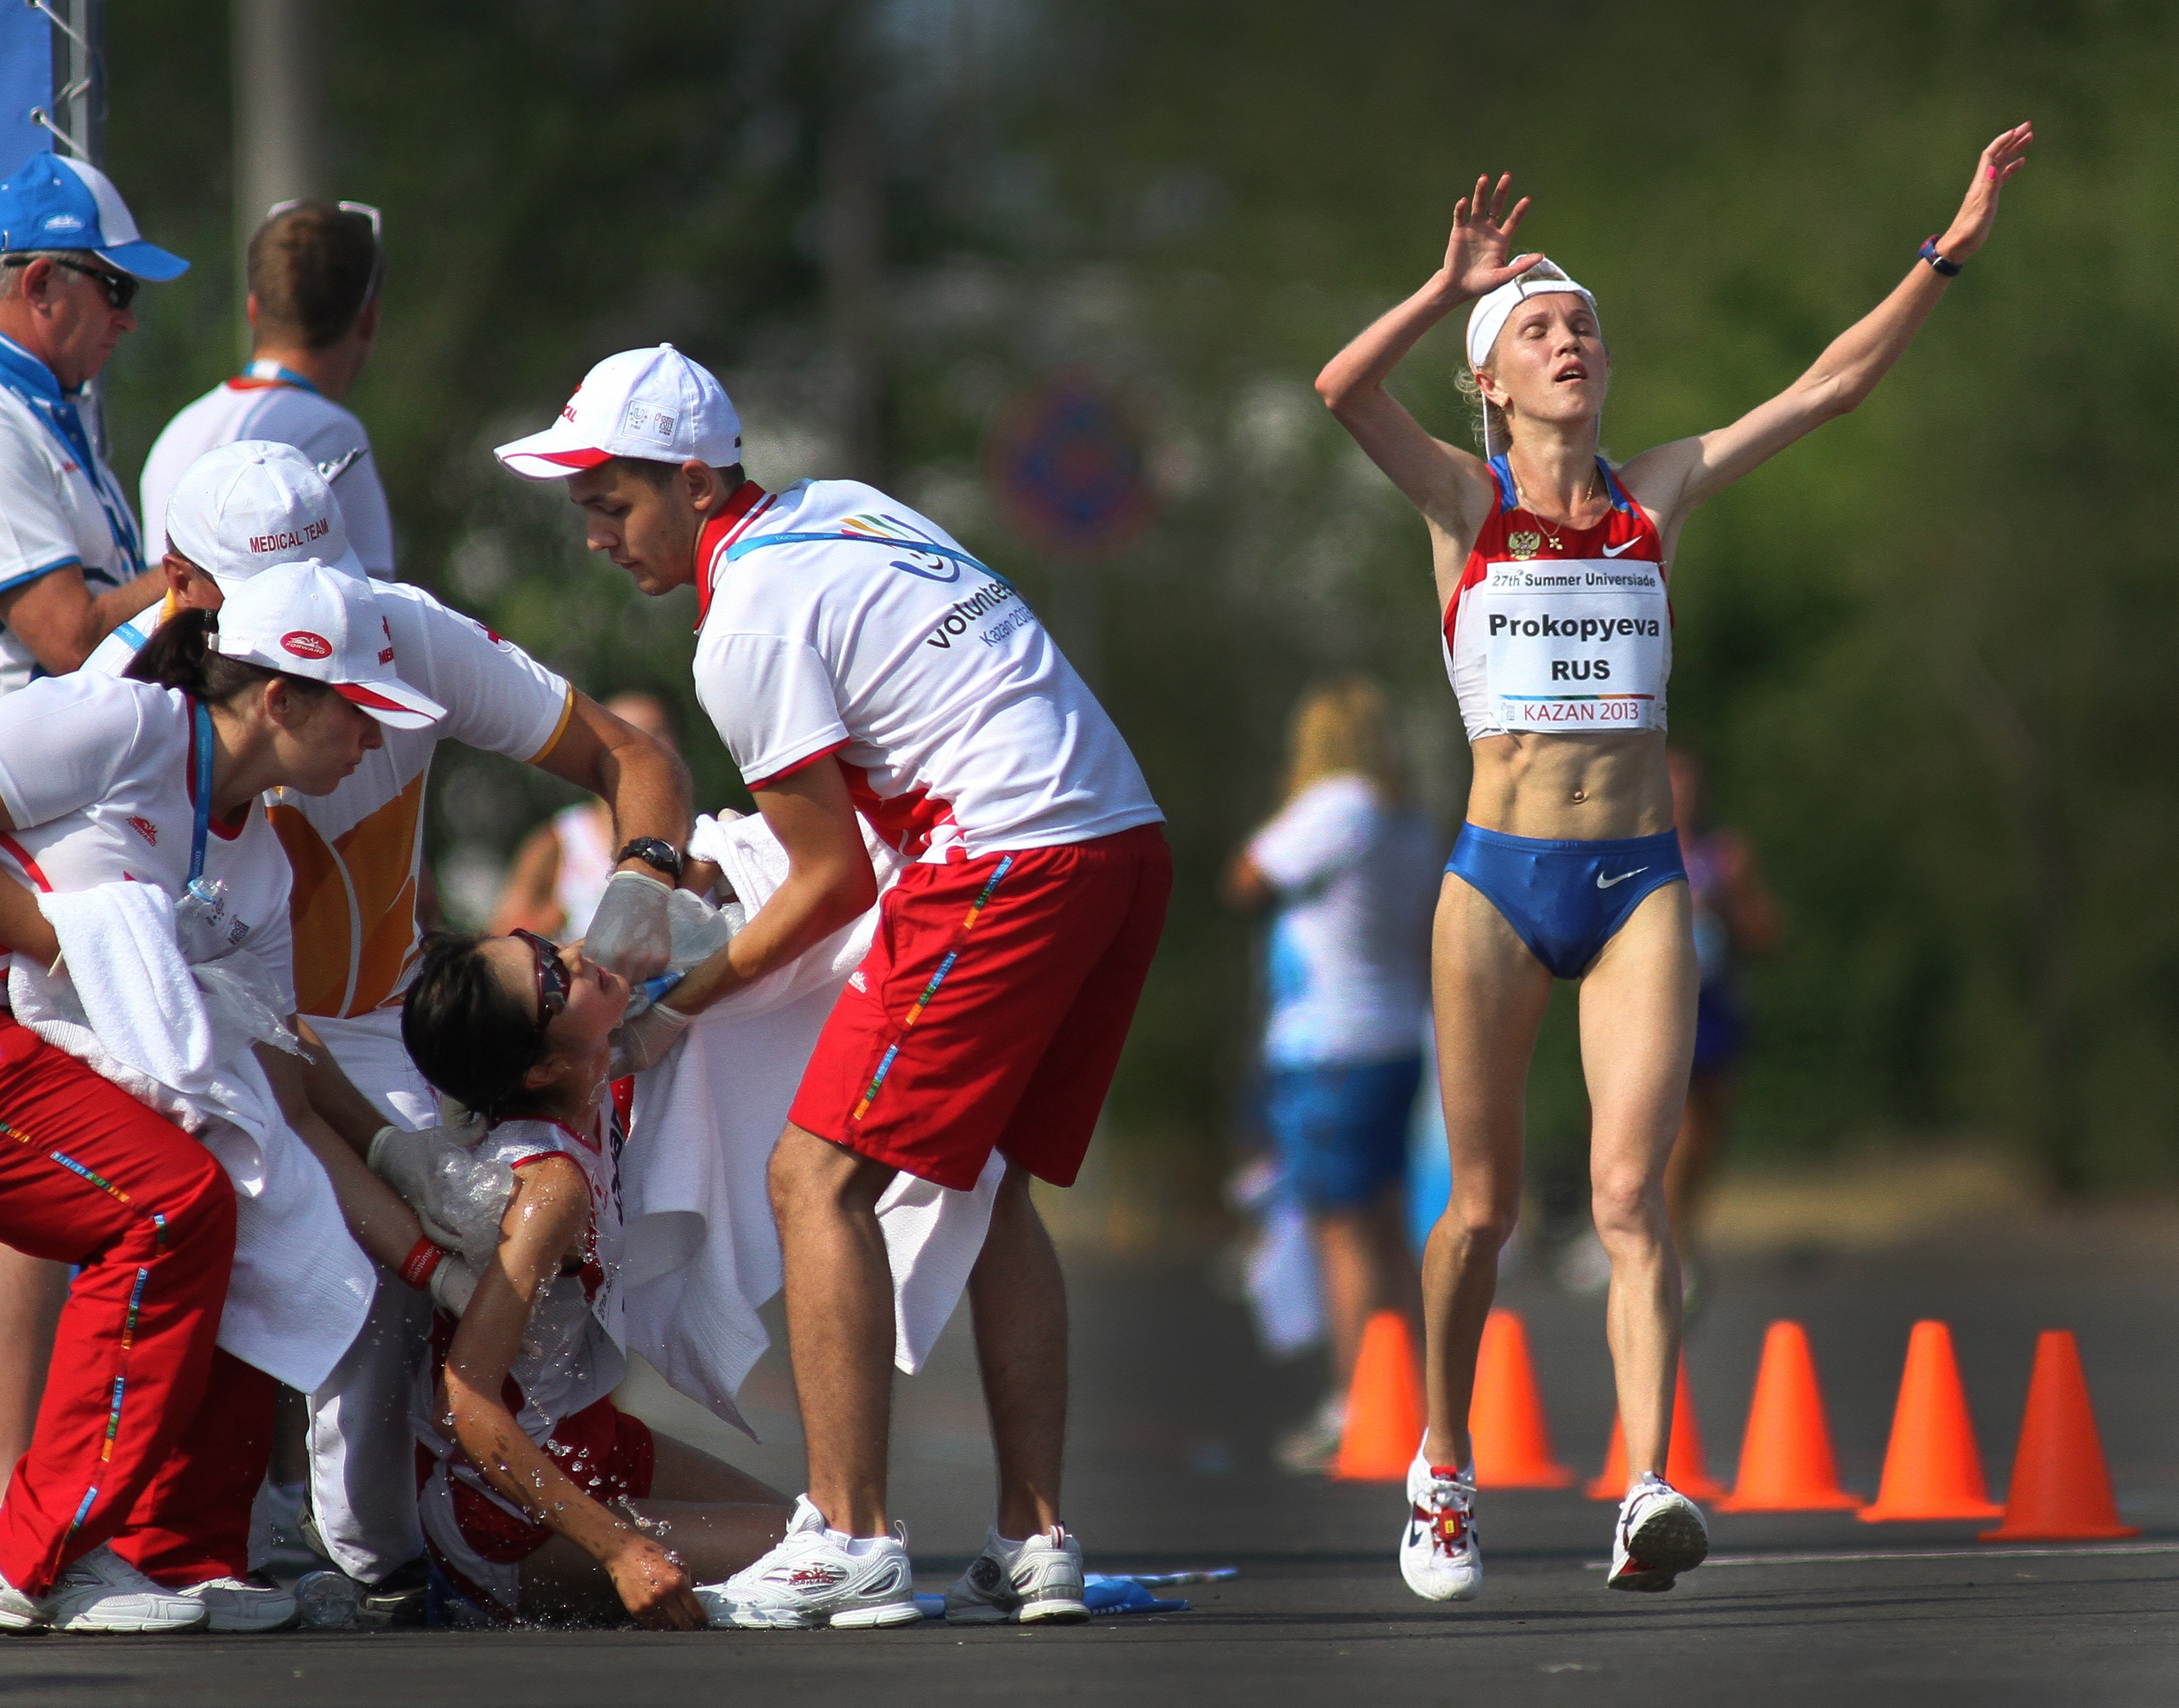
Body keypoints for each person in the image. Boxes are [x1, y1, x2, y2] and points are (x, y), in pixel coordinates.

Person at [1314, 124, 2031, 1599]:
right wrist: (1446, 286)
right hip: (1495, 887)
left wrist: (1945, 250)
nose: (1571, 342)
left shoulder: (1660, 494)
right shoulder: (1467, 505)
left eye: (1584, 324)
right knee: (1484, 1212)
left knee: (1633, 1200)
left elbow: (1828, 386)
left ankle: (1645, 1485)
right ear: (1492, 379)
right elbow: (1341, 391)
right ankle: (1441, 1462)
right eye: (1540, 330)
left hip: (1638, 880)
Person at [495, 343, 1170, 1629]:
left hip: (1010, 855)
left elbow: (833, 884)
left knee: (815, 1176)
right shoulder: (847, 506)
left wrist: (670, 1009)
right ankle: (1035, 1540)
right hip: (1121, 839)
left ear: (696, 484)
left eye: (611, 502)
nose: (594, 536)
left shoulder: (743, 622)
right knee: (993, 1190)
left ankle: (851, 1537)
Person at [79, 437, 693, 1619]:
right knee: (240, 1221)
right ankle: (139, 1529)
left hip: (366, 1017)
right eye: (285, 616)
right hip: (190, 1009)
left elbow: (631, 757)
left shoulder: (401, 627)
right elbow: (241, 1033)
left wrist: (641, 884)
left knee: (443, 1262)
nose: (333, 647)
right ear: (187, 588)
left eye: (337, 593)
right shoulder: (123, 706)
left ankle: (392, 1555)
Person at [0, 560, 452, 1632]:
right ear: (281, 699)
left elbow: (278, 1102)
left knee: (267, 1195)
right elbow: (80, 962)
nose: (374, 741)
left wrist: (436, 1253)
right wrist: (68, 944)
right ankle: (34, 1559)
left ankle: (176, 1550)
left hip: (48, 1061)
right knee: (170, 1205)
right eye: (359, 712)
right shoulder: (122, 723)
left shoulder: (268, 871)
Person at [397, 929, 792, 1625]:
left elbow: (666, 920)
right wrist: (620, 1550)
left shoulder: (587, 1075)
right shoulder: (549, 1186)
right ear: (544, 1067)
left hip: (588, 1436)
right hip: (500, 1515)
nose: (578, 955)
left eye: (541, 942)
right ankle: (477, 1590)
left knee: (819, 1536)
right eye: (553, 975)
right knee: (808, 1566)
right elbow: (461, 1402)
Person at [0, 151, 190, 1505]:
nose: (128, 320)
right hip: (26, 789)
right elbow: (65, 631)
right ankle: (26, 1486)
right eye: (115, 292)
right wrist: (181, 588)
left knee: (88, 1147)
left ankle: (67, 1486)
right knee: (61, 1155)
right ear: (40, 287)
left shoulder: (44, 408)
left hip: (59, 794)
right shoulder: (1, 415)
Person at [1221, 677, 1438, 1473]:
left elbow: (1245, 876)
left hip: (1329, 1045)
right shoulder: (1406, 819)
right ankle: (1419, 1405)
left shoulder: (1336, 806)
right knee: (1387, 1229)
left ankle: (1355, 1408)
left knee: (1340, 1234)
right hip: (1393, 1034)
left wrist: (1289, 802)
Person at [139, 201, 393, 579]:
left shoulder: (177, 432)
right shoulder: (336, 433)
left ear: (253, 310)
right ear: (369, 319)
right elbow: (370, 599)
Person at [1664, 747, 1781, 1305]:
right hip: (1658, 1005)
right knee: (1678, 1132)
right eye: (1668, 781)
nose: (1679, 793)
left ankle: (1683, 1231)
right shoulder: (1630, 849)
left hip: (1715, 1005)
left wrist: (1732, 898)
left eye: (1687, 783)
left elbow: (1767, 934)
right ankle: (1671, 1250)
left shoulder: (1725, 854)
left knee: (1707, 1138)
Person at [489, 693, 682, 941]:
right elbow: (501, 938)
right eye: (632, 736)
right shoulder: (560, 842)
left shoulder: (707, 838)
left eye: (659, 733)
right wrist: (543, 927)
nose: (651, 750)